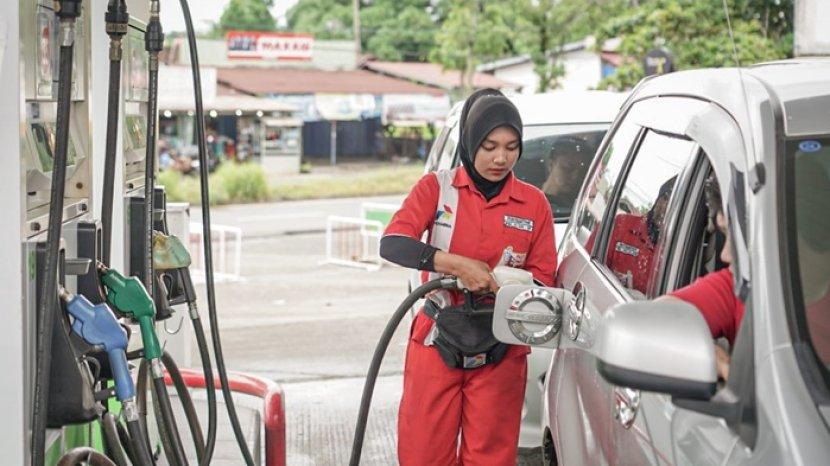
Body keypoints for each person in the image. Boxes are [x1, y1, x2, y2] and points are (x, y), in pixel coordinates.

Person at [380, 88, 557, 465]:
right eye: (489, 146)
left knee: (490, 457)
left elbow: (544, 282)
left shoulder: (533, 204)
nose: (500, 158)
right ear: (470, 142)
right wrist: (456, 265)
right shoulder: (437, 189)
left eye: (511, 147)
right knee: (423, 455)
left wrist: (506, 283)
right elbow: (392, 244)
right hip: (437, 339)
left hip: (502, 346)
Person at [541, 136, 591, 209]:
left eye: (582, 171)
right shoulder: (530, 197)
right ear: (551, 165)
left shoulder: (581, 203)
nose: (575, 176)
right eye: (568, 168)